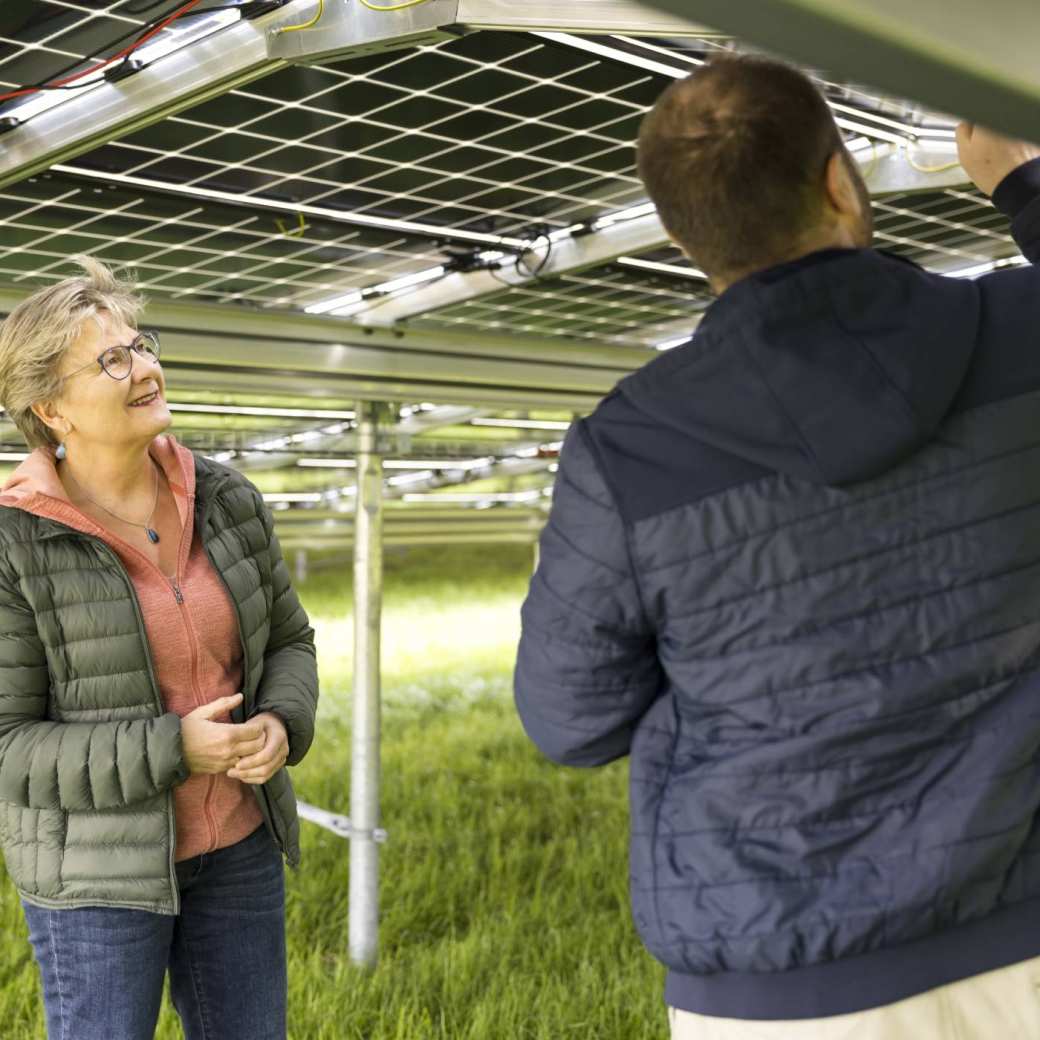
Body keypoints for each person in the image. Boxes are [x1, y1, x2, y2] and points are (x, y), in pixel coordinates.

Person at [514, 53, 1040, 1038]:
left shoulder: (625, 447)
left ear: (678, 237)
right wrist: (1020, 178)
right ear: (840, 181)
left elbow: (565, 719)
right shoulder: (1018, 332)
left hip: (776, 971)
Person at [0, 256, 319, 1040]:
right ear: (51, 407)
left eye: (142, 345)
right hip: (96, 878)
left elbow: (289, 639)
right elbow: (9, 745)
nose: (144, 367)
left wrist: (280, 719)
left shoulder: (226, 497)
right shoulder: (14, 540)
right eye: (112, 359)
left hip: (238, 847)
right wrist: (177, 748)